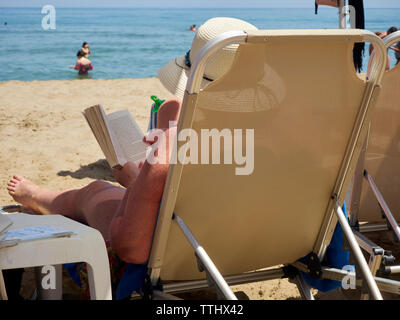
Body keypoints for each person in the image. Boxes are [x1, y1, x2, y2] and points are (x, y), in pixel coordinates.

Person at [6, 17, 258, 299]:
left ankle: (39, 197)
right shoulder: (283, 134)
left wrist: (136, 183)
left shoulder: (173, 143)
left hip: (178, 251)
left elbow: (129, 247)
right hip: (248, 250)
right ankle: (44, 197)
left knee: (95, 192)